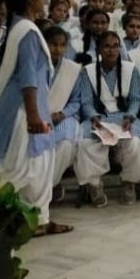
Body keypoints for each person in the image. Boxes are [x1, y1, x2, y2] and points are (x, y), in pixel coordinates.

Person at [0, 0, 74, 237]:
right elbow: (27, 76)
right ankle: (11, 217)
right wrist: (34, 116)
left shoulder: (20, 26)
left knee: (36, 164)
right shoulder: (27, 31)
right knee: (27, 165)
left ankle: (38, 219)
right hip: (24, 110)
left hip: (27, 106)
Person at [76, 31, 140, 206]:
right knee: (85, 142)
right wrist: (93, 117)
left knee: (135, 142)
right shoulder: (88, 71)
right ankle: (94, 184)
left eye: (115, 46)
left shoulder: (130, 69)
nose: (111, 50)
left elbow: (136, 99)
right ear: (99, 49)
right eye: (106, 46)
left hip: (124, 117)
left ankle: (129, 182)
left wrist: (130, 117)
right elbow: (86, 102)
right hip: (99, 117)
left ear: (120, 48)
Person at [42, 26, 86, 205]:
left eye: (62, 45)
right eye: (53, 44)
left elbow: (76, 100)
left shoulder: (72, 69)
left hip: (64, 116)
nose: (57, 49)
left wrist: (63, 114)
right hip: (38, 116)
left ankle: (49, 186)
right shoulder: (36, 66)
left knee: (66, 144)